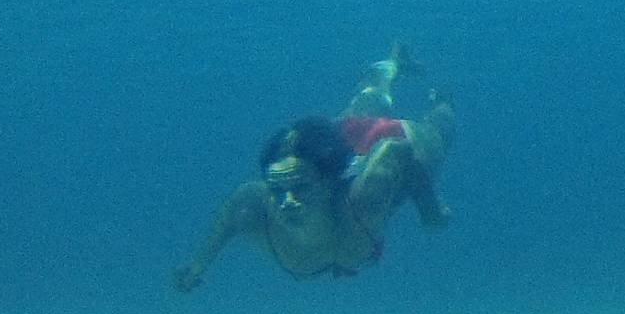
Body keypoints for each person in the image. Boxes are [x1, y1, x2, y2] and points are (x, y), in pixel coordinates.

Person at [173, 45, 453, 289]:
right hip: (327, 153)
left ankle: (443, 97)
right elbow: (231, 214)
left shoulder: (366, 194)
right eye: (277, 190)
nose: (287, 202)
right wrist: (196, 268)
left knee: (437, 133)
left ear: (330, 186)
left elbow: (397, 150)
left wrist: (429, 209)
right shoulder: (255, 203)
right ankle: (392, 63)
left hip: (380, 158)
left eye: (300, 189)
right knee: (363, 106)